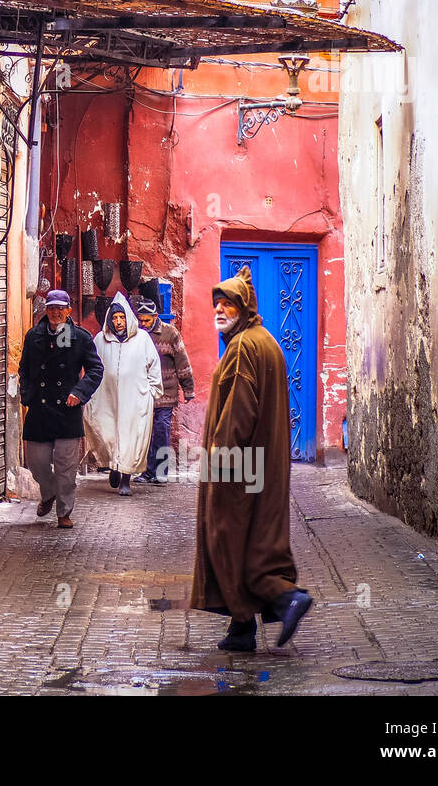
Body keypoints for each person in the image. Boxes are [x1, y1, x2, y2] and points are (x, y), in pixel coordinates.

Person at [190, 265, 313, 652]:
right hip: (261, 465)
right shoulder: (265, 341)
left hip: (238, 467)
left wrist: (219, 461)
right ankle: (241, 628)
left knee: (229, 537)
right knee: (254, 536)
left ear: (245, 307)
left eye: (228, 304)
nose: (220, 311)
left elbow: (239, 415)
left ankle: (284, 597)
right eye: (216, 305)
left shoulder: (244, 348)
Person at [18, 289, 104, 529]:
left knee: (66, 468)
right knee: (36, 463)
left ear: (68, 311)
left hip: (67, 410)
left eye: (60, 308)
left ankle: (64, 512)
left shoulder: (80, 338)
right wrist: (27, 395)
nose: (55, 312)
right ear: (46, 310)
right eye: (51, 308)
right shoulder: (33, 336)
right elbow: (24, 369)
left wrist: (79, 392)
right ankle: (48, 493)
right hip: (40, 409)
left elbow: (96, 370)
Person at [83, 293, 162, 495]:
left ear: (128, 318)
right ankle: (113, 466)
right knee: (106, 433)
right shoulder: (100, 340)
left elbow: (154, 366)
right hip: (106, 398)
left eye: (122, 317)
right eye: (115, 318)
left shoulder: (142, 339)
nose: (118, 322)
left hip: (135, 399)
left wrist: (152, 392)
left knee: (130, 437)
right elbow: (93, 366)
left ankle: (126, 480)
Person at [132, 296, 195, 485]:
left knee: (161, 429)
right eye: (140, 320)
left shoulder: (170, 334)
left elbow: (182, 362)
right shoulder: (136, 333)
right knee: (146, 433)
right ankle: (148, 472)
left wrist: (188, 389)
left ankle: (161, 472)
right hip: (143, 393)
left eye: (146, 320)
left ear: (156, 316)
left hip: (166, 393)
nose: (143, 324)